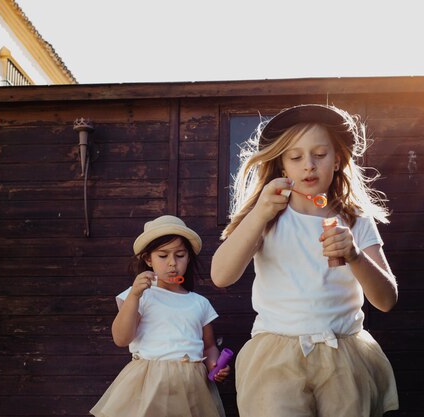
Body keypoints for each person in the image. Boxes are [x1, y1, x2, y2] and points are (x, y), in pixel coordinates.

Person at [211, 104, 399, 416]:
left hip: (344, 354)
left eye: (320, 154)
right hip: (276, 355)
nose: (308, 165)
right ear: (282, 166)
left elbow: (386, 299)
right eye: (296, 157)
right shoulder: (268, 217)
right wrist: (258, 213)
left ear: (337, 159)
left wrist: (354, 256)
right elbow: (221, 276)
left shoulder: (355, 221)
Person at [91, 215, 229, 417]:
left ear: (188, 257)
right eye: (163, 256)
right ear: (148, 259)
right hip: (149, 383)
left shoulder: (199, 303)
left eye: (180, 255)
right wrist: (134, 295)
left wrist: (215, 365)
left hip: (192, 386)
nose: (172, 263)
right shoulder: (140, 296)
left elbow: (208, 346)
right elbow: (121, 338)